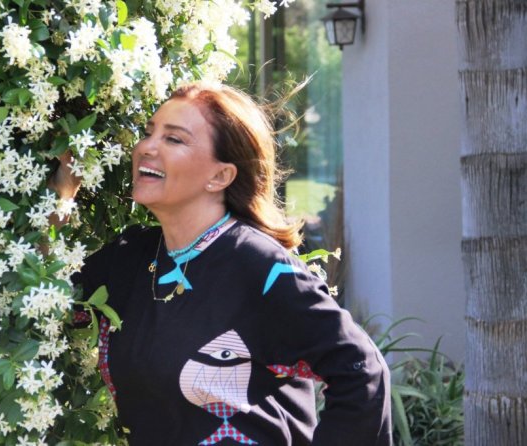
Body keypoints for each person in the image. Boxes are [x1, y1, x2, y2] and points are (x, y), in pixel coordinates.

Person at [49, 82, 392, 445]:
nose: (146, 147)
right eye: (149, 133)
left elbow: (361, 371)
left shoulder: (261, 267)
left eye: (174, 139)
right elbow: (43, 299)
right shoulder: (129, 258)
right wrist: (61, 197)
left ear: (220, 176)